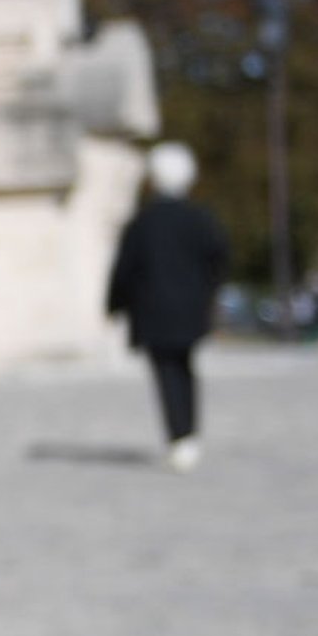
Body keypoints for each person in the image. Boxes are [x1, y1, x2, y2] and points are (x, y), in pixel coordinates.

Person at [106, 141, 229, 472]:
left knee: (165, 374)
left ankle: (178, 436)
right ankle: (188, 433)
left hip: (154, 311)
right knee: (186, 370)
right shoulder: (199, 219)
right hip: (189, 310)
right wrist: (207, 292)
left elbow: (124, 268)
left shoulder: (143, 223)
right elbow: (218, 259)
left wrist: (113, 305)